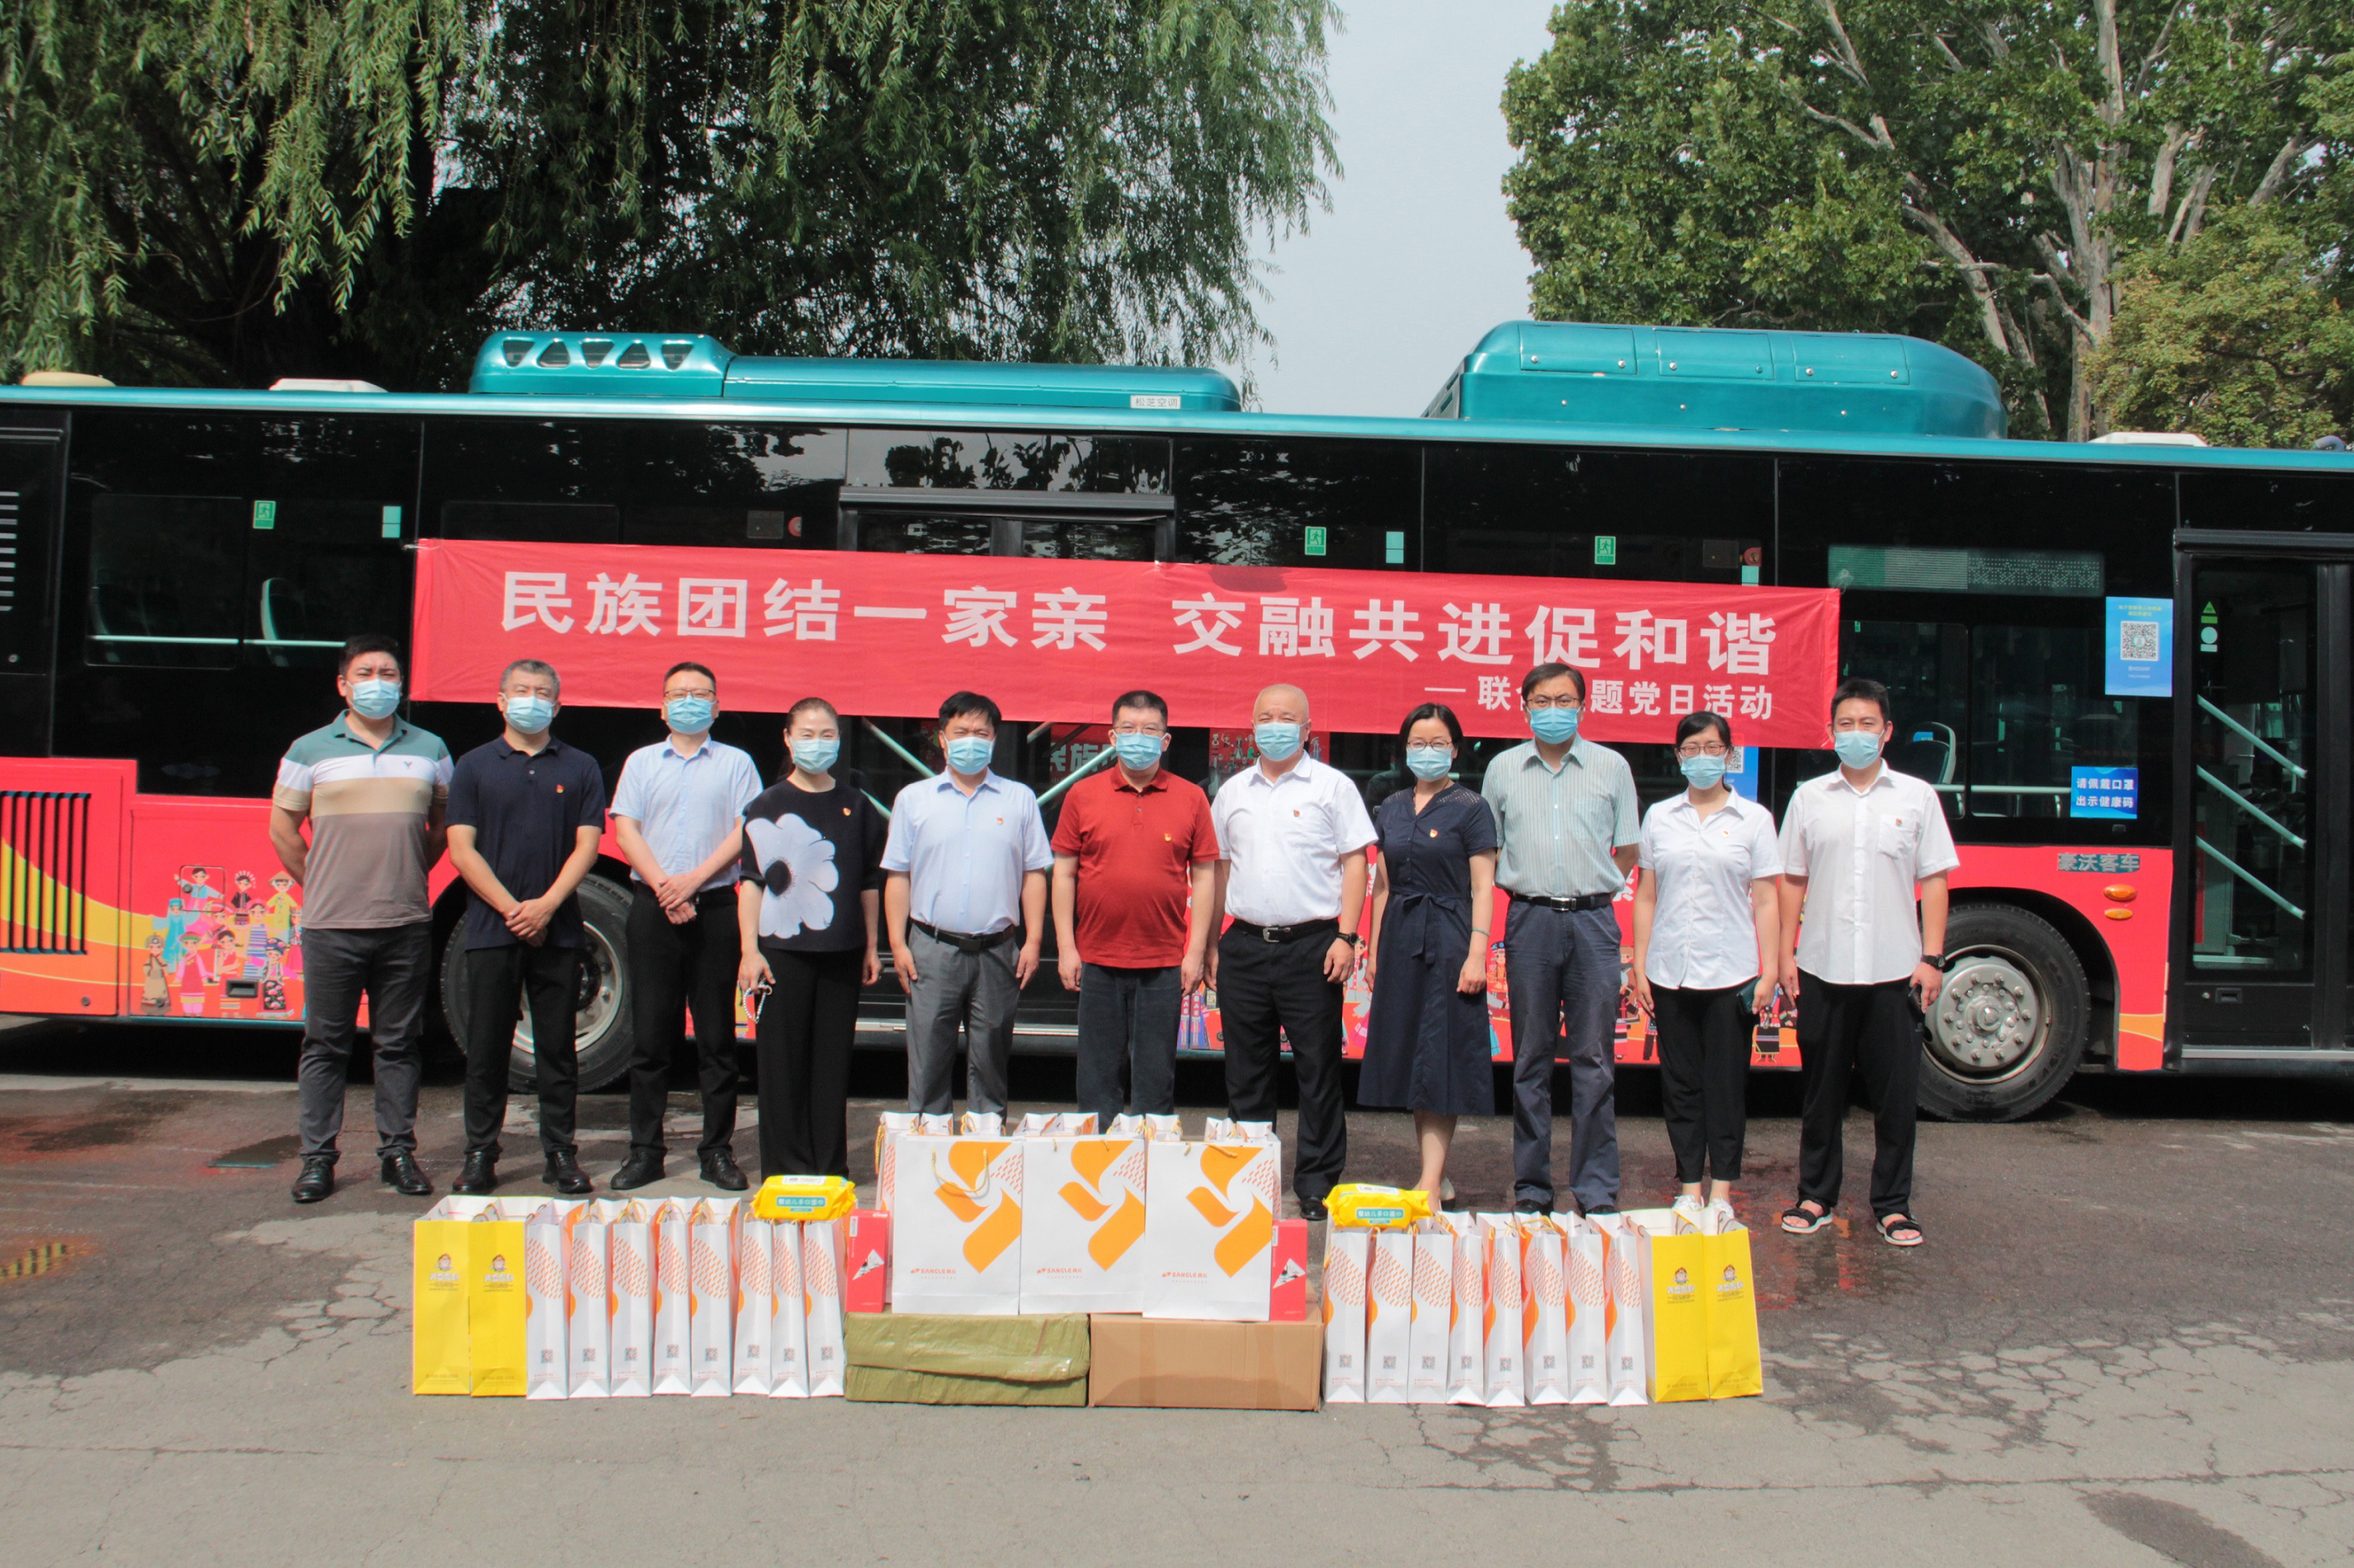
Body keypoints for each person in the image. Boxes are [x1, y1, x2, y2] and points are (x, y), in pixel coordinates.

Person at [269, 635, 451, 1205]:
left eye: (388, 673)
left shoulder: (430, 748)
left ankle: (398, 1154)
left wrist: (409, 873)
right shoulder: (309, 750)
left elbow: (444, 824)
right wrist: (323, 882)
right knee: (326, 1046)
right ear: (343, 685)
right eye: (366, 673)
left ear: (402, 683)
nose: (378, 683)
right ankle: (317, 1161)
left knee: (399, 1044)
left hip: (405, 923)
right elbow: (282, 828)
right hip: (332, 926)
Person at [1777, 677, 1956, 1248]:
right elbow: (1792, 880)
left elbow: (1934, 879)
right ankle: (1815, 1196)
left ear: (1887, 731)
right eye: (1846, 724)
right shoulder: (1809, 798)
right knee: (1821, 1093)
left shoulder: (1916, 797)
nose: (1856, 733)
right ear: (1831, 732)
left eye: (1867, 724)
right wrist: (1784, 954)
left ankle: (1893, 1206)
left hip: (1893, 972)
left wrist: (1932, 958)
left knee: (1895, 1098)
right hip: (1822, 968)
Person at [1207, 683, 1375, 1220]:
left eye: (1286, 718)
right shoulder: (1233, 791)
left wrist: (1347, 937)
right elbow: (1219, 870)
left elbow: (1355, 862)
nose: (1274, 726)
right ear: (1252, 725)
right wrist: (1210, 942)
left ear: (1307, 729)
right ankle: (1250, 1179)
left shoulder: (1333, 787)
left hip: (1313, 946)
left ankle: (1316, 1184)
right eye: (1265, 717)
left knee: (1317, 1070)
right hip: (1244, 945)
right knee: (1245, 1070)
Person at [1481, 662, 1640, 1217]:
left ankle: (1595, 1190)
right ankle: (1532, 1188)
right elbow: (1489, 849)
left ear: (1583, 706)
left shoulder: (1612, 766)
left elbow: (1627, 848)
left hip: (1594, 922)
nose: (1554, 710)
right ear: (1523, 706)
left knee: (1594, 1059)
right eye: (1542, 701)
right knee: (1531, 1058)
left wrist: (1591, 884)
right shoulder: (1502, 769)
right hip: (1530, 920)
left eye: (1565, 700)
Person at [444, 659, 608, 1197]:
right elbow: (461, 848)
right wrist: (514, 909)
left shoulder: (580, 766)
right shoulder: (473, 765)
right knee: (487, 1047)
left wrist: (546, 907)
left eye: (542, 693)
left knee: (558, 1048)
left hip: (559, 930)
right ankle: (480, 1154)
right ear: (500, 700)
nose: (530, 700)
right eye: (520, 690)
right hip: (492, 929)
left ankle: (560, 1152)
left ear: (557, 706)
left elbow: (588, 846)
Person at [608, 662, 763, 1192]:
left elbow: (746, 828)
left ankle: (716, 1151)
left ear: (717, 706)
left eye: (700, 693)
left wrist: (694, 881)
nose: (689, 701)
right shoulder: (641, 762)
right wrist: (665, 888)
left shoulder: (737, 763)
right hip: (653, 909)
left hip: (715, 907)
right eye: (679, 694)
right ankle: (644, 1151)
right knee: (652, 1038)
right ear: (662, 706)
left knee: (717, 1040)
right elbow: (625, 829)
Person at [1630, 710, 1782, 1230]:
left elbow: (1767, 900)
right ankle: (1689, 1189)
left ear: (1729, 755)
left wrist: (1769, 971)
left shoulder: (1754, 820)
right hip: (1670, 971)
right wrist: (1641, 965)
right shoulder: (1660, 817)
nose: (1702, 758)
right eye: (1691, 749)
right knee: (1680, 1086)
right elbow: (1646, 896)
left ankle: (1722, 1192)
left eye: (1712, 748)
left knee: (1726, 1086)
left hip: (1731, 973)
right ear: (1678, 757)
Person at [1050, 690, 1218, 1129]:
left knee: (1155, 1080)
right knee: (1096, 1079)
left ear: (1165, 740)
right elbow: (1064, 874)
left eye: (1149, 730)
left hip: (1163, 962)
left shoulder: (1191, 798)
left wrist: (1194, 952)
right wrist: (1067, 948)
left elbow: (1204, 877)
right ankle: (1097, 1162)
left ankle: (1148, 1163)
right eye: (1128, 729)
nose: (1138, 738)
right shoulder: (1082, 795)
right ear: (1112, 737)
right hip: (1097, 959)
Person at [881, 692, 1052, 1119]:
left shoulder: (1019, 799)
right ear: (942, 739)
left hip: (998, 950)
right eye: (961, 732)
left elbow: (1034, 873)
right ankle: (928, 1140)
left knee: (991, 1061)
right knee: (928, 1061)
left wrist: (1033, 941)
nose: (971, 741)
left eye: (981, 732)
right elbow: (898, 875)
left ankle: (986, 1144)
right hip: (931, 949)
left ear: (994, 739)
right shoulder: (913, 799)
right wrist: (898, 945)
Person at [737, 697, 885, 1178]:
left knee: (831, 1066)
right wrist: (749, 951)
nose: (816, 744)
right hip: (781, 954)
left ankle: (828, 1169)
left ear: (839, 740)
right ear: (787, 738)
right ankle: (784, 1170)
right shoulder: (766, 805)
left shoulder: (857, 805)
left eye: (826, 735)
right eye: (806, 735)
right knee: (781, 1066)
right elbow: (752, 883)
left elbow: (867, 881)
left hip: (841, 952)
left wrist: (871, 946)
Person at [1359, 704, 1498, 1202]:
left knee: (1442, 1056)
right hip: (1401, 936)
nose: (1428, 752)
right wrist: (1374, 952)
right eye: (1418, 744)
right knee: (1413, 1057)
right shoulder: (1392, 806)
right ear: (1404, 750)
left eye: (1439, 744)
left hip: (1451, 936)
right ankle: (1433, 1174)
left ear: (1455, 750)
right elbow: (1382, 885)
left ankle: (1431, 1183)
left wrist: (1477, 953)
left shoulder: (1471, 807)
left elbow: (1483, 887)